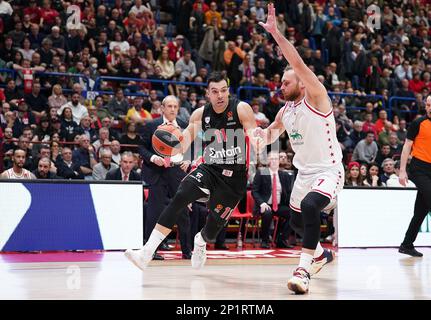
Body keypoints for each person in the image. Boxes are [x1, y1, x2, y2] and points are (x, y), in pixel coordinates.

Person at [125, 72, 260, 269]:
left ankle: (201, 241)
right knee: (181, 195)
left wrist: (258, 140)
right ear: (208, 94)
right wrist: (172, 149)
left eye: (223, 91)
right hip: (210, 168)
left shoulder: (241, 109)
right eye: (215, 91)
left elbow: (253, 135)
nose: (220, 95)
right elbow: (184, 140)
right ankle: (146, 253)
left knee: (213, 228)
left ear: (228, 91)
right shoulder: (199, 114)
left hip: (234, 179)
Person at [256, 4, 342, 294]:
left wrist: (276, 34)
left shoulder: (316, 96)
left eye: (286, 81)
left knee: (309, 207)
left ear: (301, 84)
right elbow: (268, 136)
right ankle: (320, 255)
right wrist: (257, 135)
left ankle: (303, 270)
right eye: (280, 82)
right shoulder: (285, 112)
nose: (281, 86)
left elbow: (297, 63)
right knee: (294, 218)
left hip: (329, 172)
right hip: (303, 175)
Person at [137, 95, 193, 260]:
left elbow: (193, 146)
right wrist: (153, 158)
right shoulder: (152, 125)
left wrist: (188, 160)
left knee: (182, 211)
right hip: (157, 172)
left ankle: (187, 250)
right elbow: (141, 147)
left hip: (176, 173)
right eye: (169, 106)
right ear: (162, 108)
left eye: (175, 107)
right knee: (155, 211)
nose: (173, 110)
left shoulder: (184, 126)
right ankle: (150, 250)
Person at [398, 94, 431, 257]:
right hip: (418, 169)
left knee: (421, 211)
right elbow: (406, 147)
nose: (430, 108)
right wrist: (402, 170)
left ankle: (406, 244)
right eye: (427, 105)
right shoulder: (418, 123)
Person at [252, 151, 294, 249]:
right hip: (265, 205)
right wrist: (261, 203)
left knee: (293, 214)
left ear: (279, 161)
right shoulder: (262, 172)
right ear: (268, 161)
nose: (274, 161)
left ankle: (281, 239)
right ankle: (265, 241)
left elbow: (288, 192)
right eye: (272, 159)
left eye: (276, 159)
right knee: (267, 214)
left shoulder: (284, 174)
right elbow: (255, 191)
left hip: (279, 205)